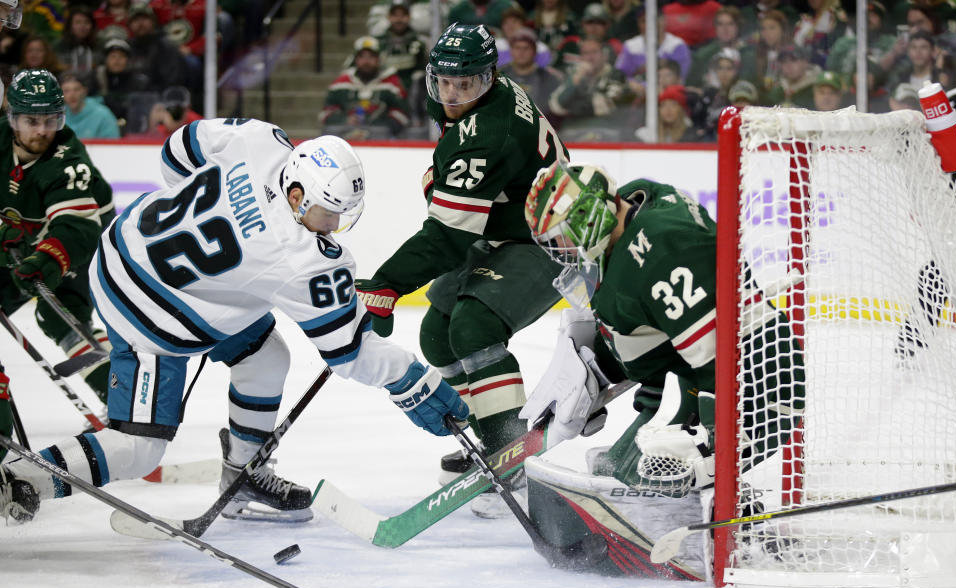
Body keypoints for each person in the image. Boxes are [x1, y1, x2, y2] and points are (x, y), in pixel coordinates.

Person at [0, 120, 469, 524]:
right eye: (329, 214)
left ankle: (244, 473)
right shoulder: (304, 259)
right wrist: (413, 380)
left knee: (266, 357)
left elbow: (177, 150)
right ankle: (22, 477)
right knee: (140, 449)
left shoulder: (262, 140)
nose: (333, 227)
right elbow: (348, 355)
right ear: (298, 193)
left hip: (121, 247)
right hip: (150, 315)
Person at [354, 22, 569, 518]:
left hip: (548, 234)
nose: (451, 94)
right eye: (443, 82)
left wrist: (387, 283)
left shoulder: (489, 131)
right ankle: (488, 440)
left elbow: (449, 235)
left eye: (464, 84)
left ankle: (509, 461)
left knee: (474, 327)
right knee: (437, 334)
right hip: (507, 223)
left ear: (489, 78)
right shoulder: (477, 99)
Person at [520, 160, 803, 515]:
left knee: (646, 481)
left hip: (759, 388)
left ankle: (726, 504)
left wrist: (711, 446)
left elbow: (718, 360)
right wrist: (601, 373)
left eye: (560, 237)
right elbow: (659, 339)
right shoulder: (638, 202)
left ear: (587, 217)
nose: (560, 251)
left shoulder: (659, 253)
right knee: (619, 466)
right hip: (700, 370)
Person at [0, 69, 115, 414]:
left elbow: (75, 228)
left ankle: (122, 401)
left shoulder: (67, 160)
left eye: (50, 121)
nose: (41, 131)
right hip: (23, 243)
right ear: (12, 117)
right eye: (30, 121)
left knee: (61, 317)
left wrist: (47, 261)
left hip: (81, 245)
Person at [319, 36, 411, 140]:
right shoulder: (341, 83)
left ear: (379, 59)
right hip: (345, 141)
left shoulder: (392, 84)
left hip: (382, 143)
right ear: (355, 59)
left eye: (371, 57)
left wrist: (375, 125)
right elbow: (325, 113)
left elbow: (402, 115)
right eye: (362, 57)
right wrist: (345, 120)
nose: (366, 61)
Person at [61, 71, 121, 139]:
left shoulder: (103, 115)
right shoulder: (57, 116)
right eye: (66, 91)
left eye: (76, 89)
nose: (72, 95)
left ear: (85, 91)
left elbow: (113, 145)